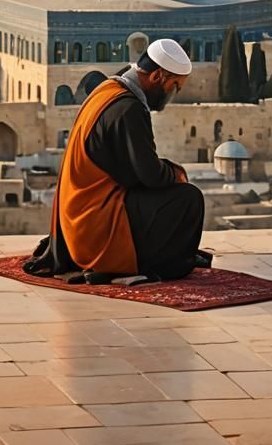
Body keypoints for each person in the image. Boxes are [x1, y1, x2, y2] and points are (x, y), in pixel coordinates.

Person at [25, 38, 208, 283]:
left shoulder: (109, 90)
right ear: (157, 77)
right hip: (94, 231)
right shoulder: (129, 109)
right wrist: (176, 172)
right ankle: (165, 264)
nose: (174, 94)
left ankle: (165, 256)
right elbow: (150, 176)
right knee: (188, 198)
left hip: (77, 225)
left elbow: (130, 171)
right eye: (174, 86)